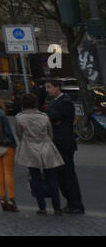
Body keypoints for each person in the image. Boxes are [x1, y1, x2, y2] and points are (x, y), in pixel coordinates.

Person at [13, 93, 63, 214]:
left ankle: (42, 207)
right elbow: (50, 133)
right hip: (46, 147)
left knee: (35, 178)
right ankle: (57, 207)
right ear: (36, 104)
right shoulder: (44, 116)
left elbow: (19, 135)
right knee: (52, 178)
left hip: (30, 149)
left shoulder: (19, 118)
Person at [44, 80, 85, 214]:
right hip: (58, 142)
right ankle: (70, 202)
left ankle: (76, 203)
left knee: (67, 174)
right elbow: (49, 117)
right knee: (61, 175)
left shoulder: (65, 102)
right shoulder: (56, 102)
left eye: (49, 87)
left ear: (57, 88)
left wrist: (54, 119)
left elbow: (53, 116)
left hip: (64, 143)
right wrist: (53, 119)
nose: (47, 90)